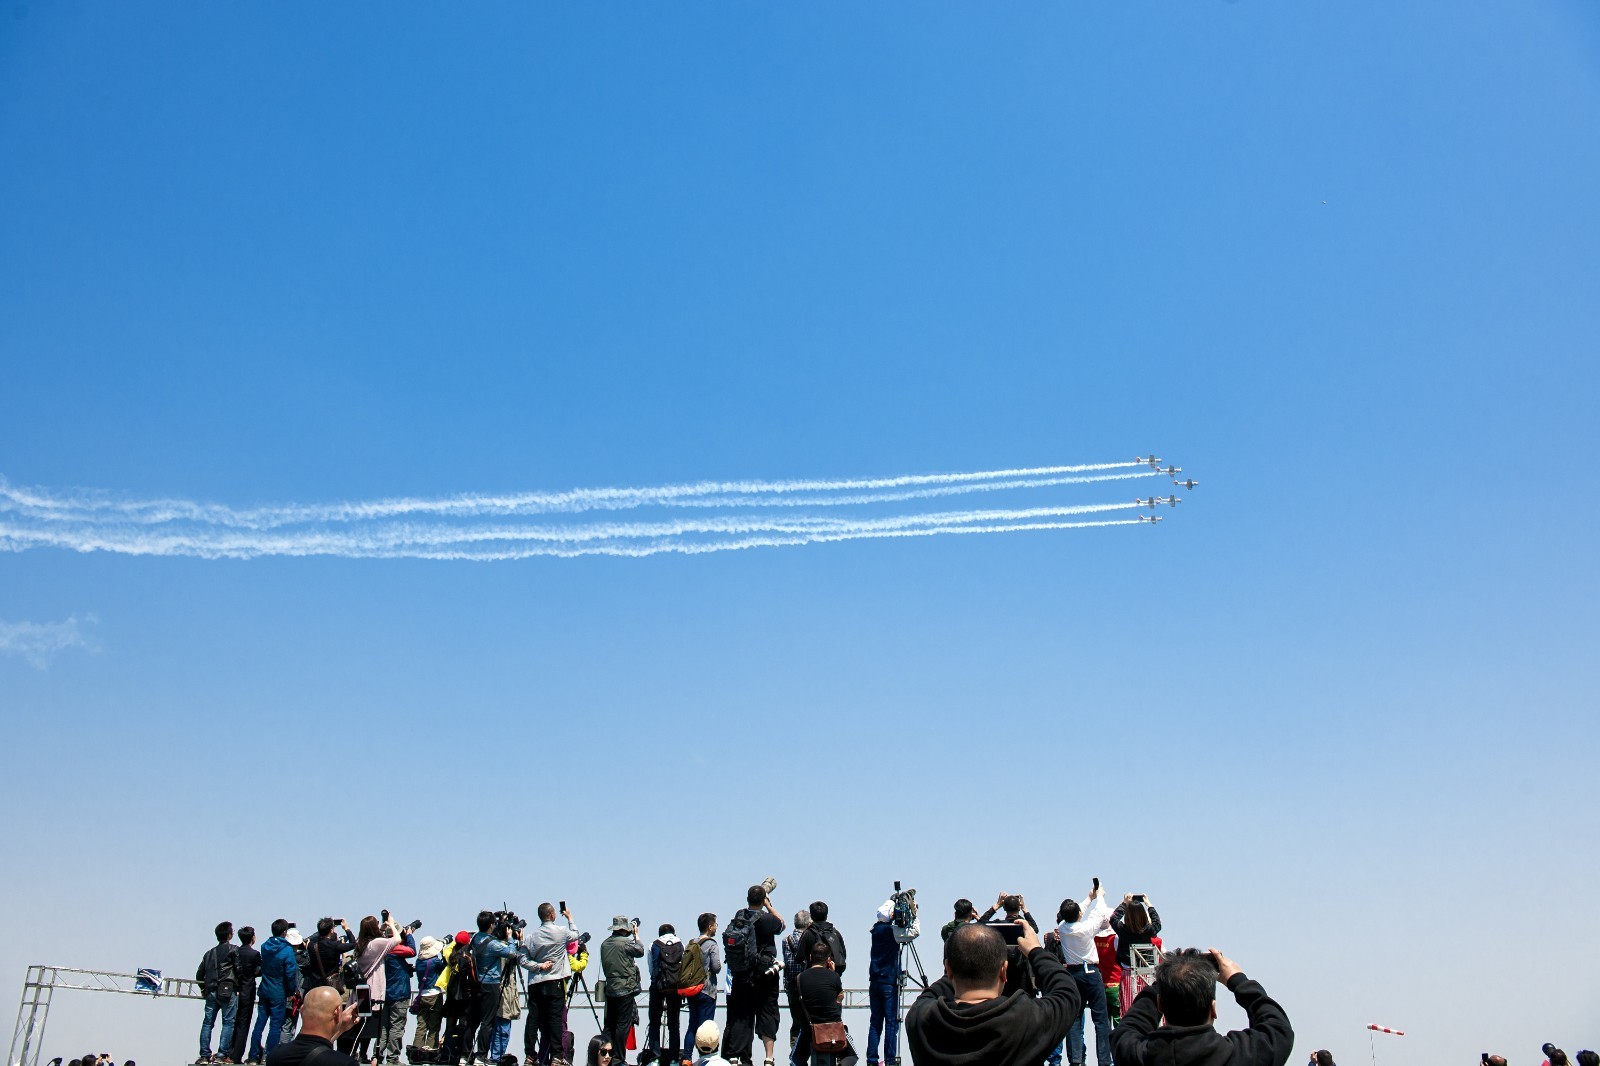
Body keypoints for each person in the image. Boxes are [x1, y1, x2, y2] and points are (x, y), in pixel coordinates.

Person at [905, 921, 1079, 1066]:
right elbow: (1067, 992)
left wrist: (961, 959)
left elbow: (932, 992)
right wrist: (1036, 951)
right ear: (1004, 971)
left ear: (949, 969)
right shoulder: (1027, 1020)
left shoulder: (922, 1018)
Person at [1109, 949, 1292, 1066]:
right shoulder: (1239, 1055)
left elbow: (1130, 1025)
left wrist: (1167, 979)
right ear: (1213, 1009)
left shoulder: (1136, 1055)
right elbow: (1278, 1028)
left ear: (1160, 1005)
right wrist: (1237, 980)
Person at [722, 886, 786, 1066]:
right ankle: (768, 1057)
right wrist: (769, 905)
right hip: (764, 973)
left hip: (741, 973)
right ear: (763, 899)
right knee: (767, 1012)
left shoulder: (739, 917)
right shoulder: (767, 919)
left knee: (740, 1014)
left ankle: (737, 1056)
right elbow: (782, 923)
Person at [1053, 886, 1114, 1066]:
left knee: (1075, 1018)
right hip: (1091, 973)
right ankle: (1104, 1060)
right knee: (1100, 1020)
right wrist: (1099, 896)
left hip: (1073, 974)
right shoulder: (1087, 927)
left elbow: (1076, 912)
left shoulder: (1062, 927)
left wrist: (1088, 898)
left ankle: (1076, 1060)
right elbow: (1100, 912)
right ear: (1079, 914)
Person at [520, 903, 579, 1066]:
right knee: (555, 1019)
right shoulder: (560, 932)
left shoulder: (531, 937)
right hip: (555, 981)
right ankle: (556, 1056)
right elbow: (575, 935)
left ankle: (530, 1055)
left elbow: (522, 959)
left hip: (536, 983)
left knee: (533, 1019)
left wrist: (538, 966)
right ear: (553, 915)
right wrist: (570, 918)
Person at [864, 900, 916, 1066]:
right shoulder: (891, 931)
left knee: (875, 1022)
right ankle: (890, 1060)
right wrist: (914, 914)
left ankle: (871, 1059)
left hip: (875, 981)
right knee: (891, 1023)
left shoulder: (875, 929)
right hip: (888, 981)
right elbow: (914, 932)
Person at [792, 941, 858, 1066]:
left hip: (810, 1029)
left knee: (796, 1059)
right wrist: (833, 973)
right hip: (834, 1028)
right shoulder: (834, 977)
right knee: (852, 1056)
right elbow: (837, 999)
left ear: (811, 957)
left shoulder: (800, 978)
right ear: (828, 959)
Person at [472, 913, 523, 1065]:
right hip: (493, 984)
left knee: (486, 1021)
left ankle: (482, 1055)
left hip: (480, 983)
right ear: (491, 925)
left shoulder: (476, 939)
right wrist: (512, 939)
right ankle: (489, 1057)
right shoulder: (495, 945)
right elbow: (513, 954)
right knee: (493, 1022)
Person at [266, 986, 361, 1066]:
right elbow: (319, 1048)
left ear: (302, 1010)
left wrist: (340, 1028)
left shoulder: (275, 1056)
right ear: (336, 1012)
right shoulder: (344, 1063)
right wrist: (339, 1026)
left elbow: (313, 1046)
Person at [600, 917, 645, 1066]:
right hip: (625, 989)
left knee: (609, 1025)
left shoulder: (604, 944)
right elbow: (640, 951)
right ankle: (618, 1058)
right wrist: (636, 935)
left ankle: (604, 1054)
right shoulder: (626, 943)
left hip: (610, 988)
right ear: (625, 929)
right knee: (622, 1025)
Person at [1108, 897, 1161, 1017]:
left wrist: (1124, 903)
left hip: (1128, 974)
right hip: (1146, 973)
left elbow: (1113, 918)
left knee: (1128, 1009)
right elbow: (1157, 923)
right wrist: (1149, 905)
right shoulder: (1148, 930)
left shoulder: (1123, 930)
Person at [681, 915, 721, 1066]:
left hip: (692, 989)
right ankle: (703, 1059)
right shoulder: (711, 944)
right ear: (710, 927)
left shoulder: (691, 943)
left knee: (692, 1024)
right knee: (705, 1027)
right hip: (707, 989)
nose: (716, 927)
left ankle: (686, 1058)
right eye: (715, 924)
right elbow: (716, 967)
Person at [198, 921, 240, 1064]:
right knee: (228, 1022)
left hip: (210, 991)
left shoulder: (209, 954)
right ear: (229, 935)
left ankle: (204, 1055)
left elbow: (199, 974)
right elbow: (239, 970)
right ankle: (222, 1055)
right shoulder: (234, 949)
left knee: (208, 1022)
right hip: (227, 990)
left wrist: (204, 990)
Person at [645, 924, 685, 1066]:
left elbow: (651, 967)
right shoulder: (681, 944)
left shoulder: (653, 944)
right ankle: (674, 1059)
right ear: (673, 932)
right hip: (675, 987)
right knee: (674, 1024)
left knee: (654, 1023)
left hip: (657, 986)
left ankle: (655, 1058)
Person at [379, 922, 419, 1064]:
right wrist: (409, 935)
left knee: (384, 1027)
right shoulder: (394, 948)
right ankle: (393, 1058)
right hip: (399, 993)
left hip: (387, 993)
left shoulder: (382, 949)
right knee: (397, 1026)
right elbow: (412, 951)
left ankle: (377, 1056)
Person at [782, 913, 813, 1059]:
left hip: (792, 984)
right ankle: (811, 1050)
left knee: (796, 1020)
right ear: (807, 923)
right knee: (810, 1019)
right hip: (807, 984)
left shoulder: (786, 940)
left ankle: (795, 1053)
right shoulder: (809, 938)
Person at [413, 936, 450, 1053]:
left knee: (421, 1024)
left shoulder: (418, 962)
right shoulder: (435, 962)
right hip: (434, 995)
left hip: (422, 996)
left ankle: (417, 1050)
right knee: (434, 1024)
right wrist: (444, 950)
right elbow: (445, 968)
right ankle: (431, 1049)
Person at [231, 928, 262, 1066]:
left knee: (232, 1022)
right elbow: (259, 970)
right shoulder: (254, 954)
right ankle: (237, 1055)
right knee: (243, 1024)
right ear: (252, 938)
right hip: (247, 990)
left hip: (234, 990)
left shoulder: (235, 952)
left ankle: (228, 1051)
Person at [305, 919, 358, 993]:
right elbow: (353, 943)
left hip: (316, 985)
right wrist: (346, 928)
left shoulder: (311, 946)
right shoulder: (335, 945)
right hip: (332, 985)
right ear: (331, 930)